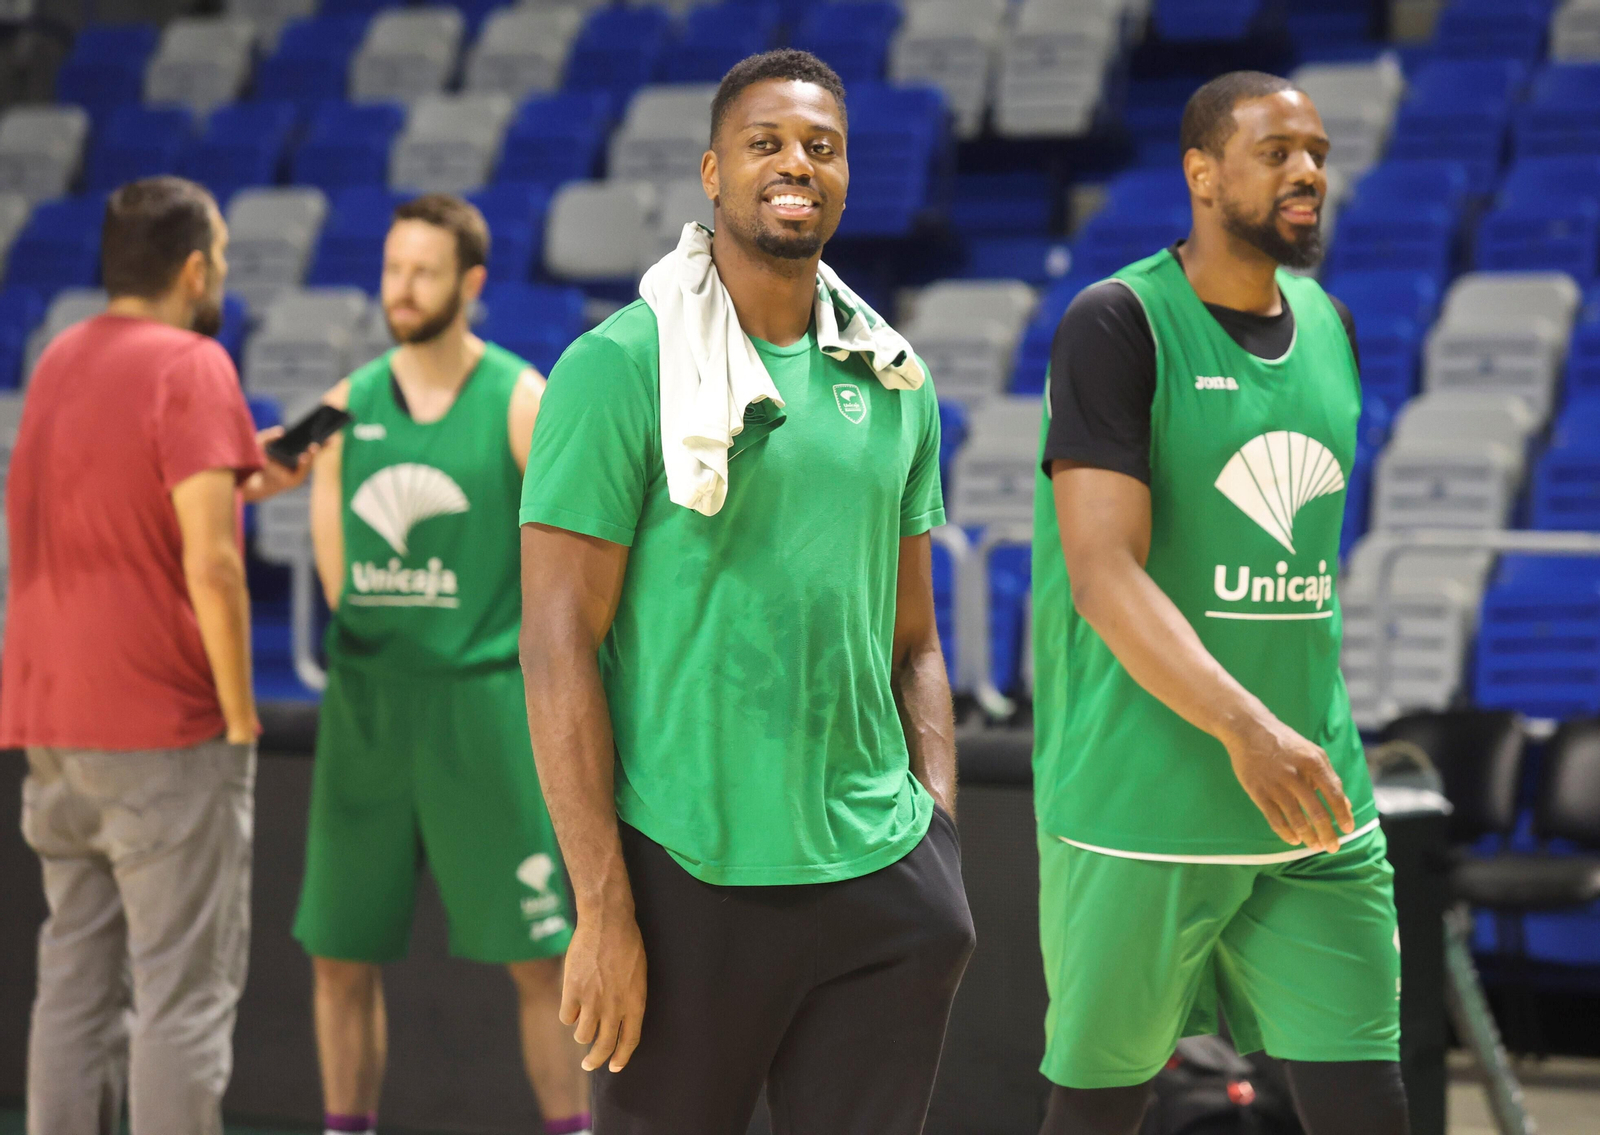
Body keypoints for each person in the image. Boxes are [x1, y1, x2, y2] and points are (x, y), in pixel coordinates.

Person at [519, 49, 975, 1135]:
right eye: (766, 143)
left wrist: (940, 836)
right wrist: (602, 907)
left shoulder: (893, 377)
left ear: (848, 176)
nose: (795, 164)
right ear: (713, 172)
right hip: (689, 877)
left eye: (821, 147)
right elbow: (554, 643)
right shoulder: (618, 367)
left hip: (880, 876)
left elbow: (914, 641)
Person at [1031, 72, 1410, 1135]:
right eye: (1278, 152)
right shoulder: (1117, 323)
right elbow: (1105, 571)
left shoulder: (1329, 326)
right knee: (1097, 1109)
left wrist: (1287, 736)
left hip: (1313, 800)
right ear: (1201, 174)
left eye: (1319, 155)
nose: (1308, 174)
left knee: (1365, 1101)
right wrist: (1244, 727)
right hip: (1143, 804)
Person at [1, 176, 313, 1135]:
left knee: (74, 986)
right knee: (183, 997)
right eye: (218, 256)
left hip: (53, 719)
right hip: (162, 725)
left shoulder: (58, 360)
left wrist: (240, 465)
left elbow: (116, 500)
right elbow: (213, 566)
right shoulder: (192, 362)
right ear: (193, 268)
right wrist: (239, 712)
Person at [294, 193, 589, 1135]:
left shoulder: (523, 398)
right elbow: (277, 476)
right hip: (369, 711)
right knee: (337, 956)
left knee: (541, 960)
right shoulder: (343, 403)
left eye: (421, 271)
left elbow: (573, 556)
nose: (401, 288)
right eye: (391, 269)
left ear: (470, 283)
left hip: (485, 709)